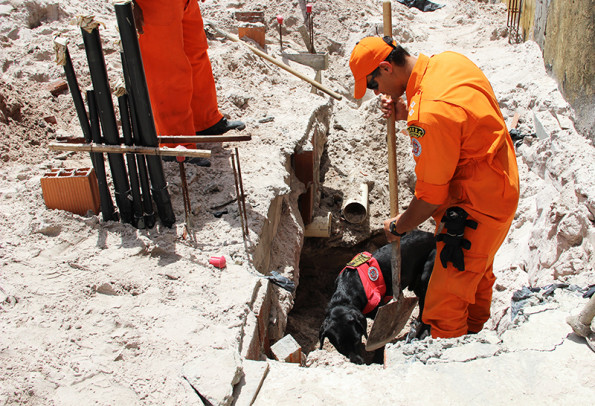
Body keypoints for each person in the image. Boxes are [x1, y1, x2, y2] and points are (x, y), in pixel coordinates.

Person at [349, 36, 519, 339]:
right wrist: (407, 110)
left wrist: (399, 226)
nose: (377, 94)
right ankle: (475, 336)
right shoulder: (449, 63)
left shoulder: (428, 113)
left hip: (476, 206)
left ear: (386, 68)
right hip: (501, 183)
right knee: (476, 275)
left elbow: (430, 198)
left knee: (444, 302)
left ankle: (450, 361)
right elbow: (459, 122)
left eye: (373, 85)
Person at [132, 0, 244, 155]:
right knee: (167, 68)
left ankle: (204, 122)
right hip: (153, 5)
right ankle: (176, 143)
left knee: (196, 54)